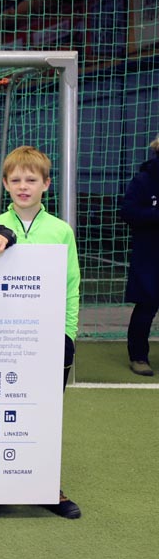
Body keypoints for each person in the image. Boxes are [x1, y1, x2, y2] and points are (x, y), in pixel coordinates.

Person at [0, 145, 81, 519]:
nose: (24, 186)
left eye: (31, 180)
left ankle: (45, 487)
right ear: (6, 184)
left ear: (46, 184)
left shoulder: (60, 231)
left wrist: (67, 333)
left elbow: (71, 285)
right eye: (16, 180)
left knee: (42, 414)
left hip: (48, 339)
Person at [120, 134, 159, 377]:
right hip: (150, 255)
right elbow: (128, 212)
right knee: (146, 306)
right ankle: (139, 357)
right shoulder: (144, 180)